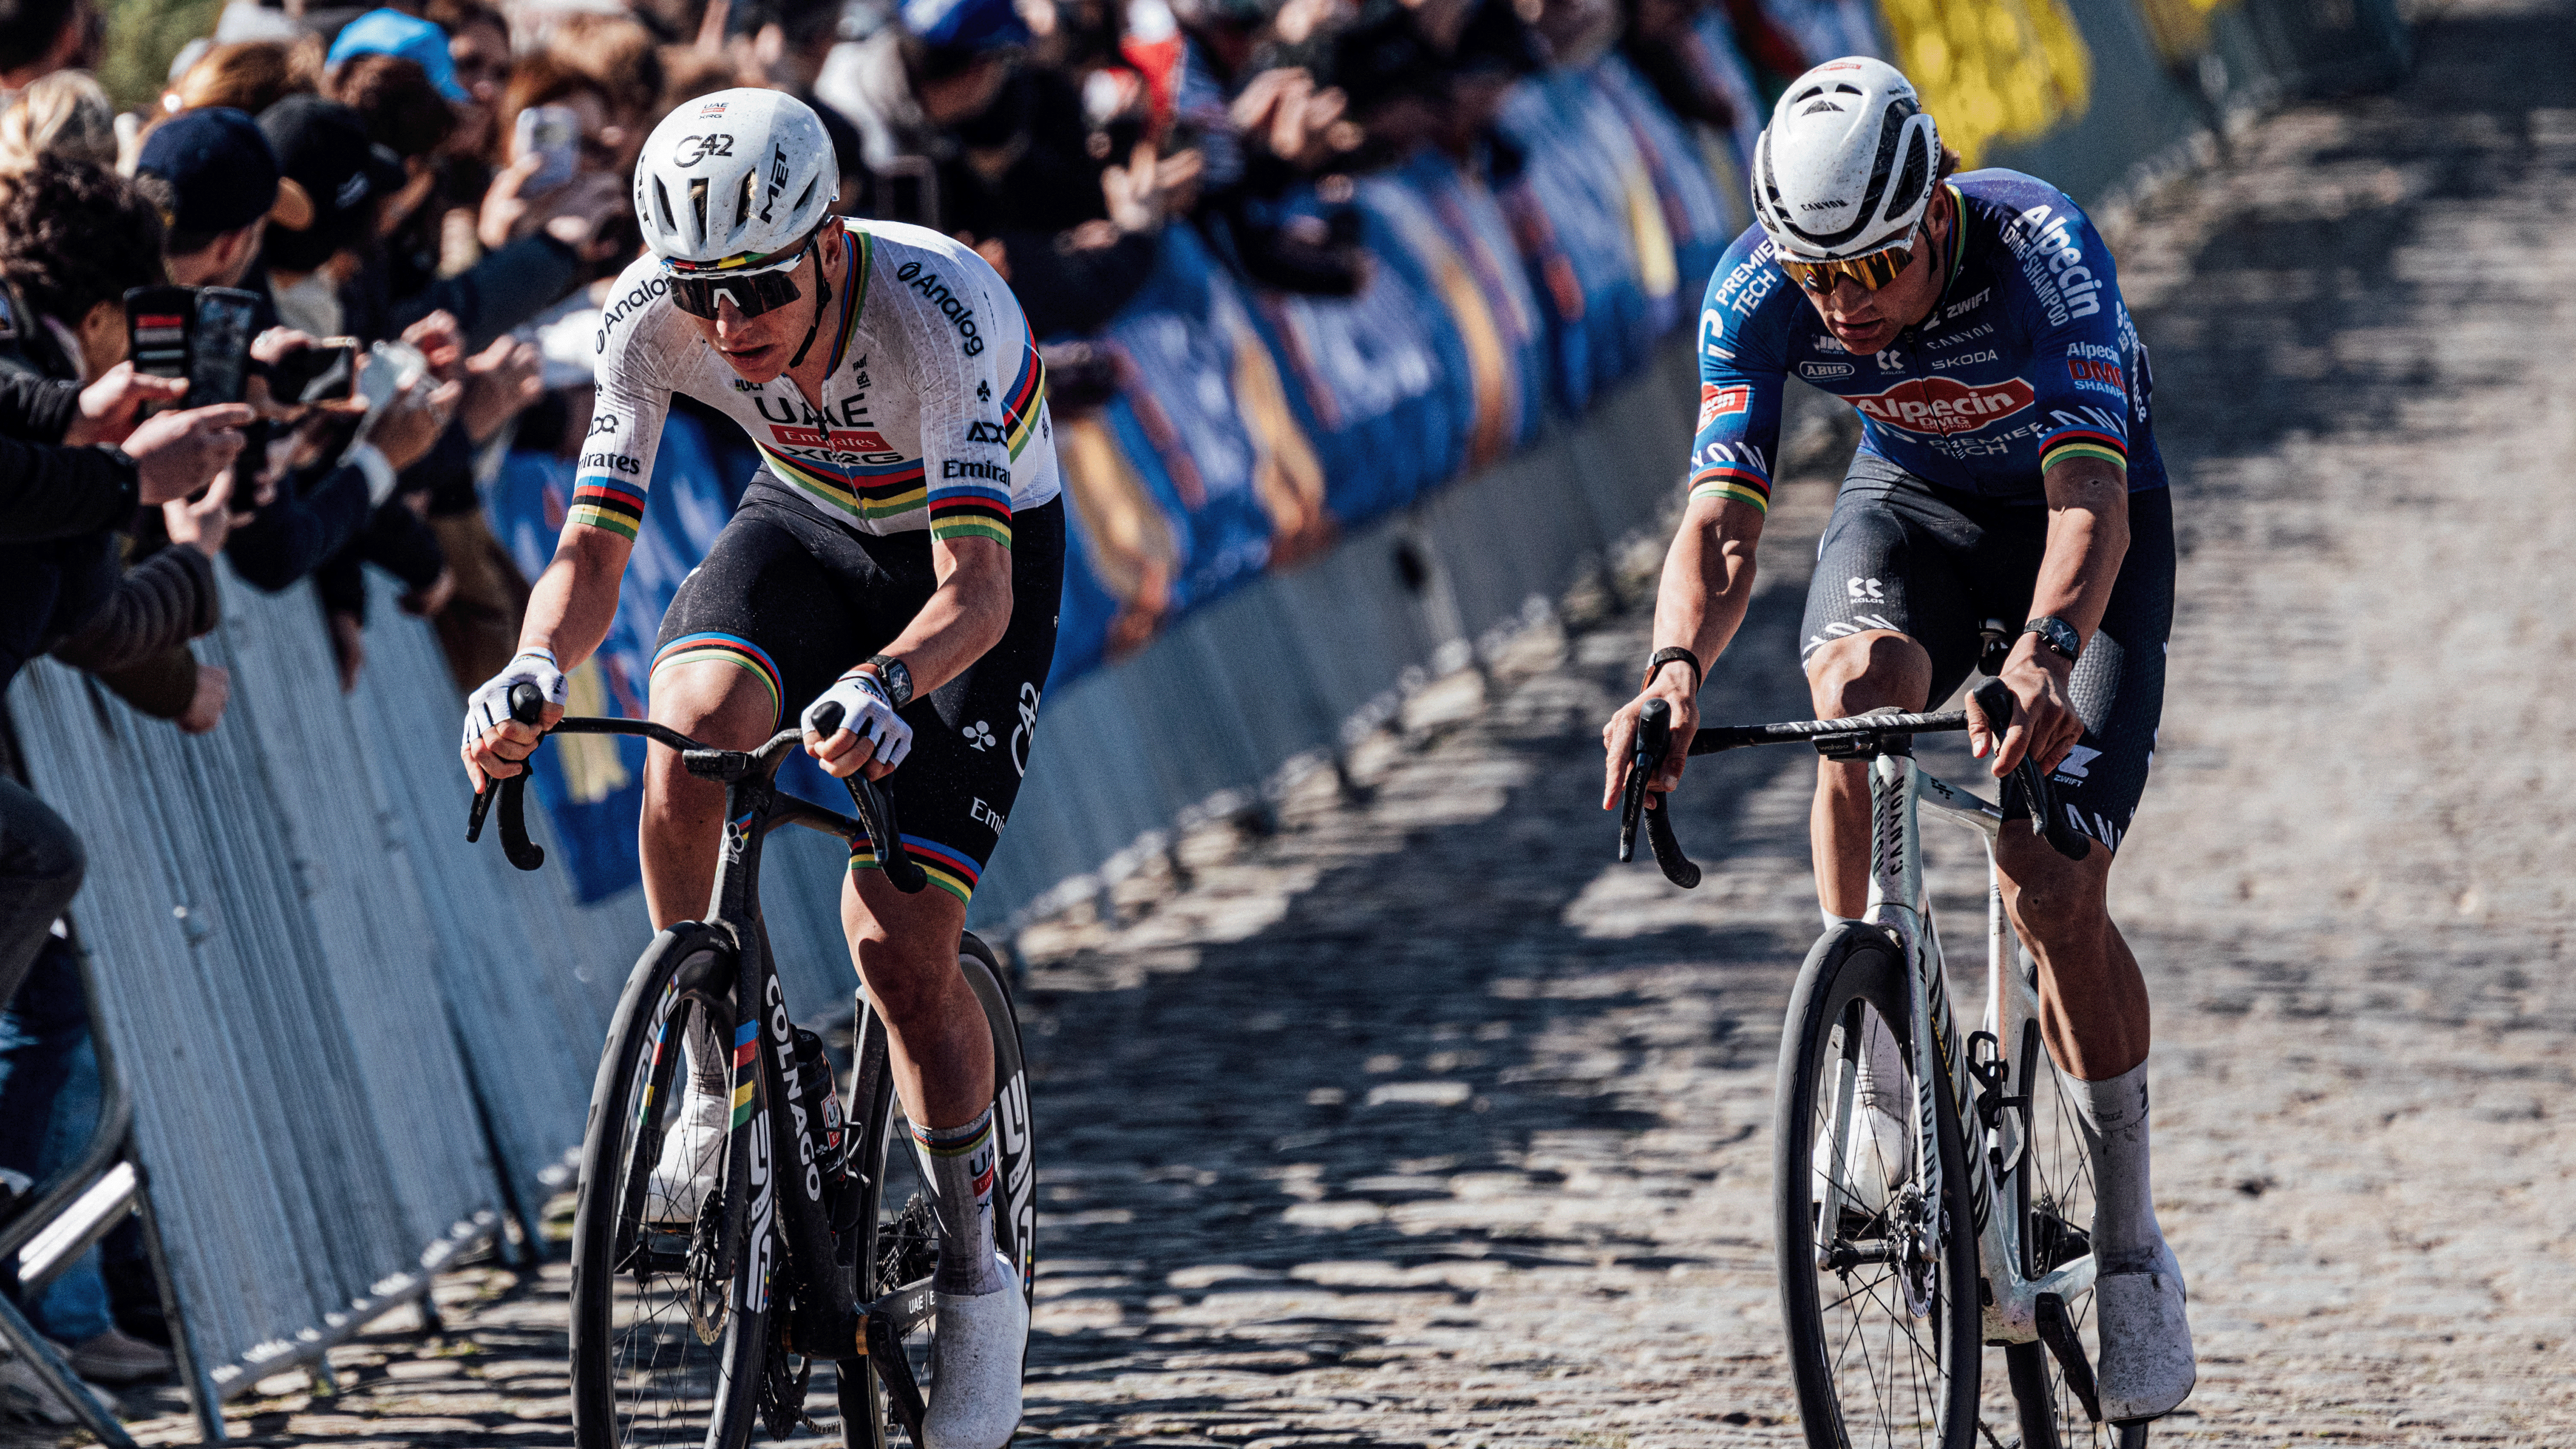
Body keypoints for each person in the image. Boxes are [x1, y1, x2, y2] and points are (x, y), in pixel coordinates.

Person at [459, 89, 1059, 1449]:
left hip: (965, 570)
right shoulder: (643, 317)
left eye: (760, 291)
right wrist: (534, 671)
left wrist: (888, 683)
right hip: (806, 522)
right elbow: (593, 554)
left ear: (832, 240)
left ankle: (978, 1288)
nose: (730, 330)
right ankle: (704, 1069)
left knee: (897, 944)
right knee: (690, 732)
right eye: (702, 295)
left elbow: (972, 591)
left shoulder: (946, 312)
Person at [1597, 57, 2192, 1427]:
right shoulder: (1755, 291)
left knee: (2050, 889)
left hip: (2080, 531)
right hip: (1911, 508)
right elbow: (1723, 518)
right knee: (1856, 693)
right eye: (1818, 282)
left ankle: (2126, 1238)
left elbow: (2089, 500)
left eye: (1869, 271)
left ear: (1932, 215)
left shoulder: (2039, 251)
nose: (1844, 311)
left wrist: (2045, 657)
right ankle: (1873, 1078)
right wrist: (1673, 671)